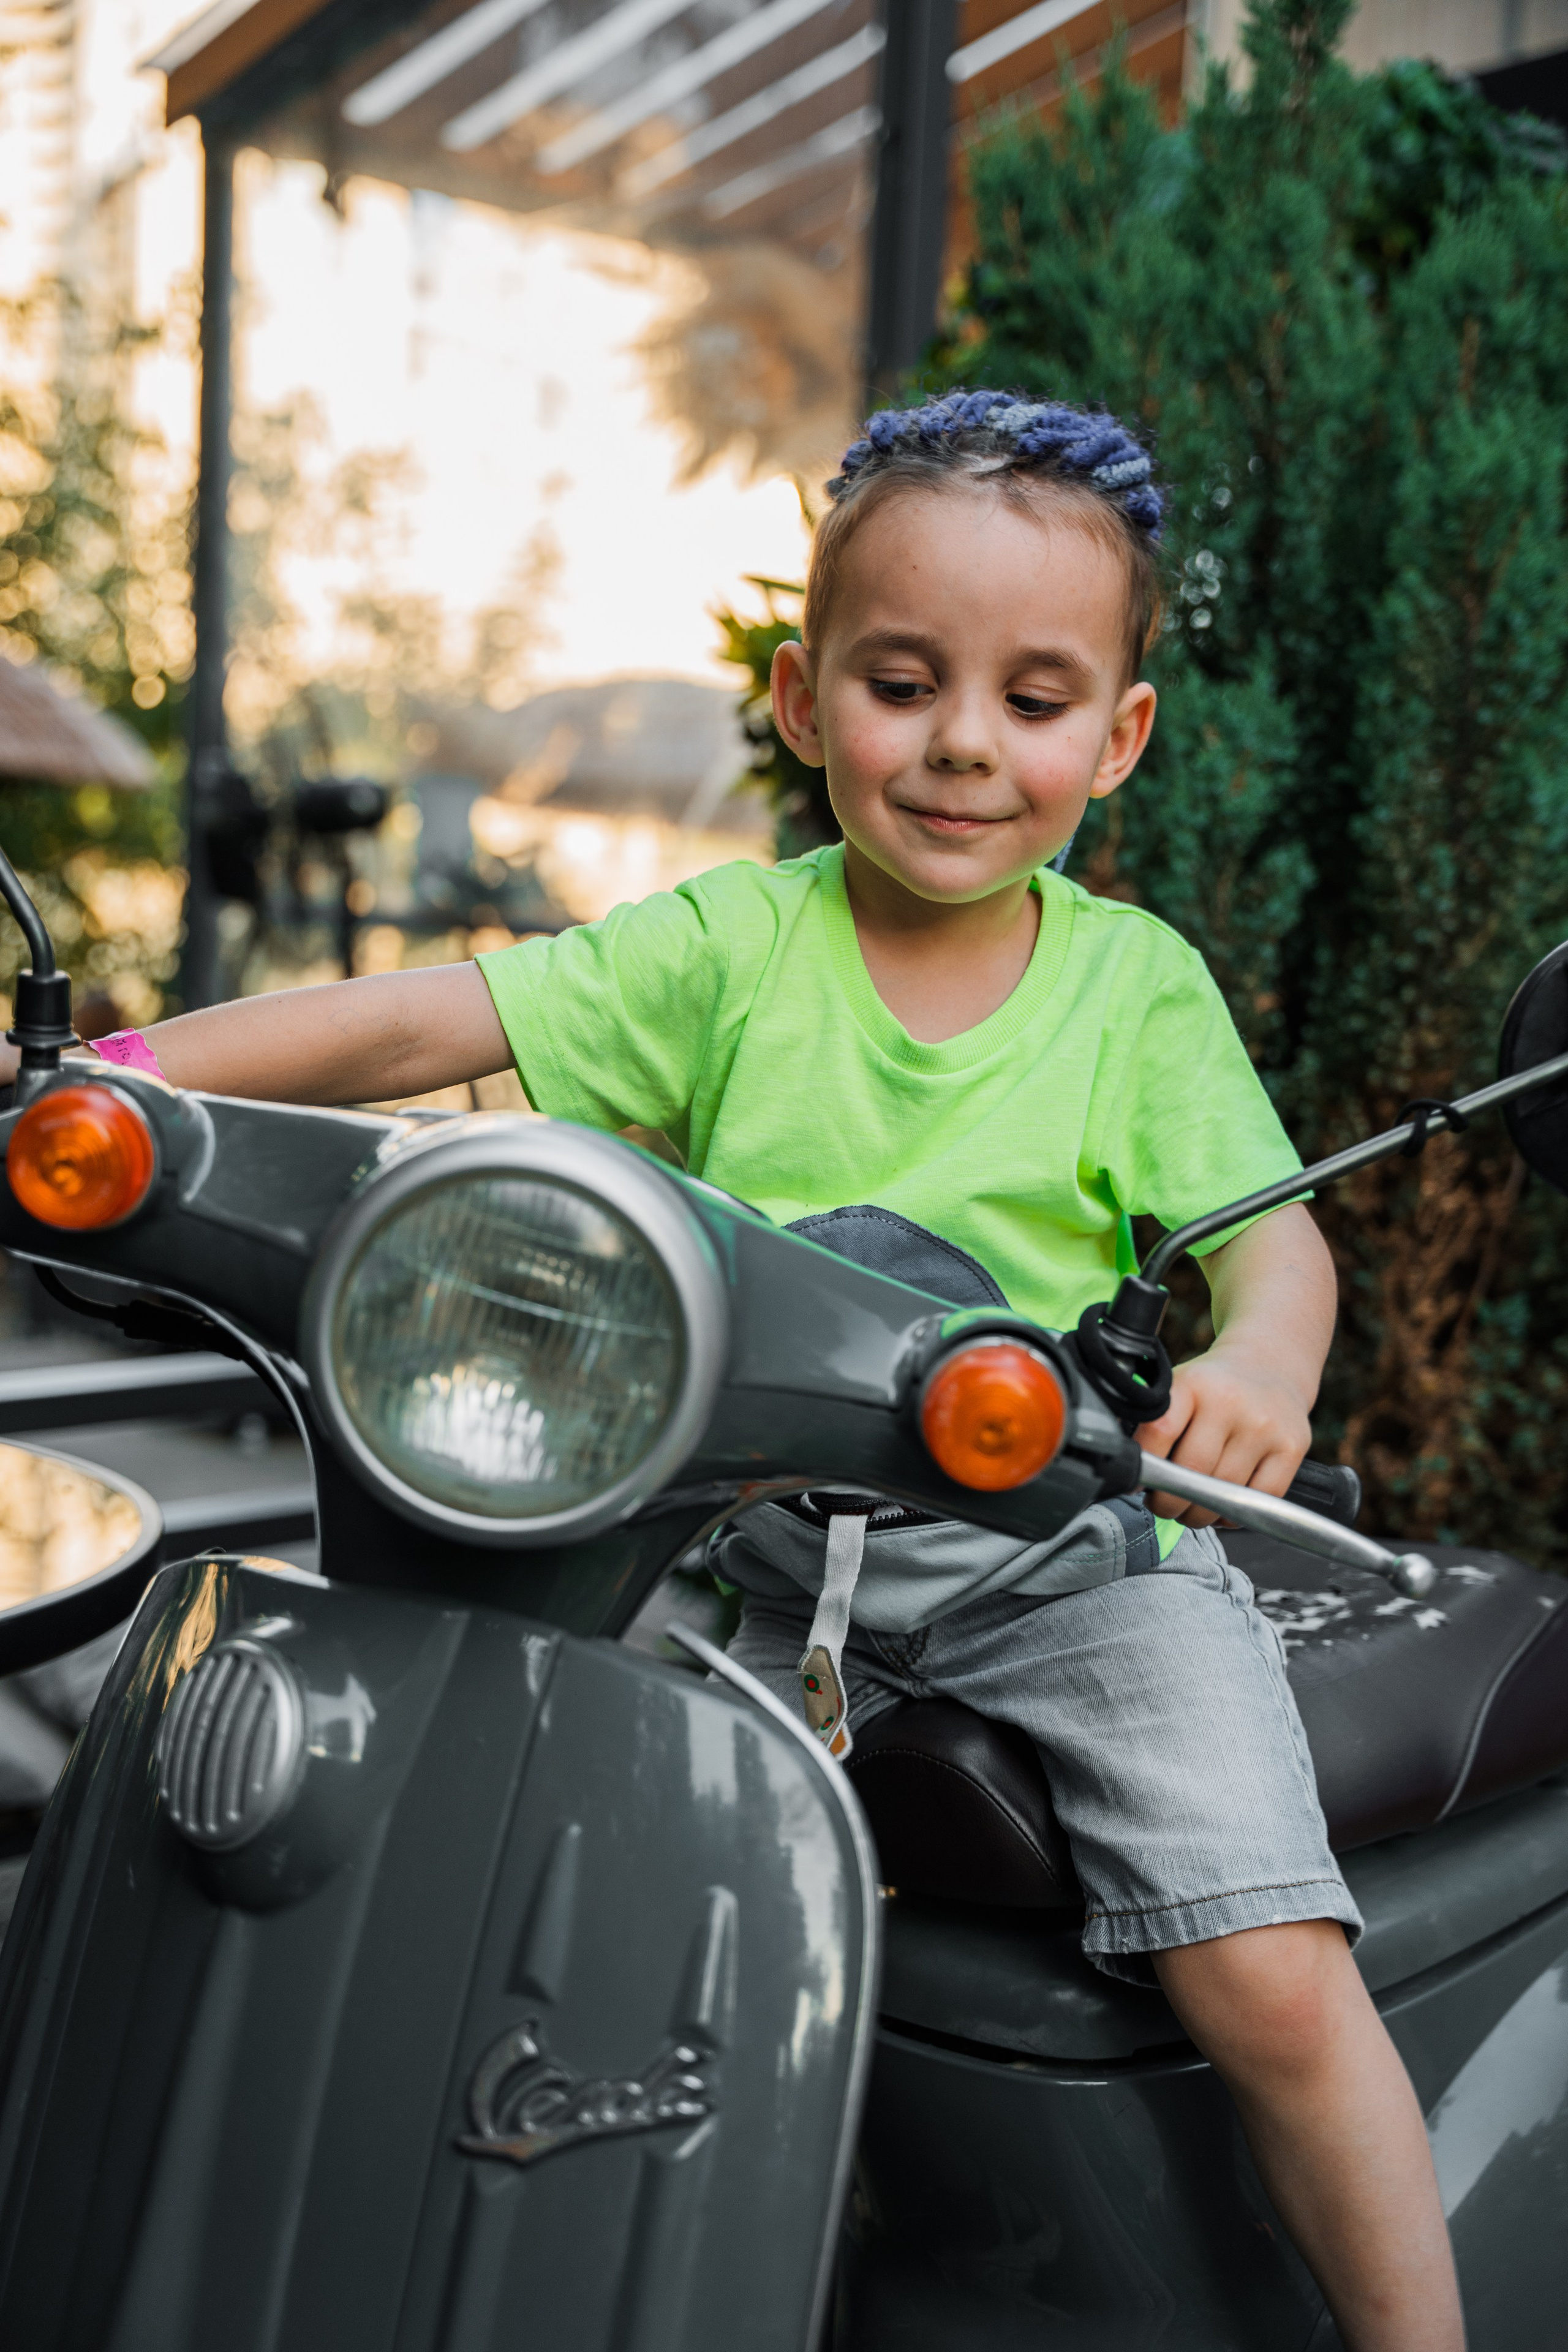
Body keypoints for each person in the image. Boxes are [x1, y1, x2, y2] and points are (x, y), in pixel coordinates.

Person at [29, 391, 1461, 2351]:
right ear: (804, 701)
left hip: (1067, 1579)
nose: (965, 740)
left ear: (1116, 740)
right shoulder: (725, 948)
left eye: (1037, 701)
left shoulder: (1134, 989)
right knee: (471, 1843)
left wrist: (1271, 1360)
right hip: (739, 1564)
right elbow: (412, 1022)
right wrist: (107, 1088)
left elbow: (1273, 1237)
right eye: (904, 679)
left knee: (1273, 1978)